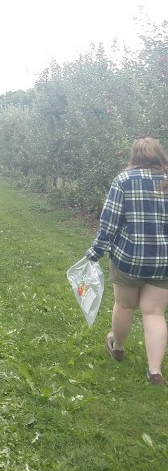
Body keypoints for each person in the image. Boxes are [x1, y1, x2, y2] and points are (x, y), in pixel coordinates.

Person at [86, 136, 168, 385]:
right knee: (154, 313)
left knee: (124, 306)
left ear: (134, 156)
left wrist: (95, 252)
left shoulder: (123, 180)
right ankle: (155, 371)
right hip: (163, 262)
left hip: (128, 259)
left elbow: (109, 224)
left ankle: (118, 347)